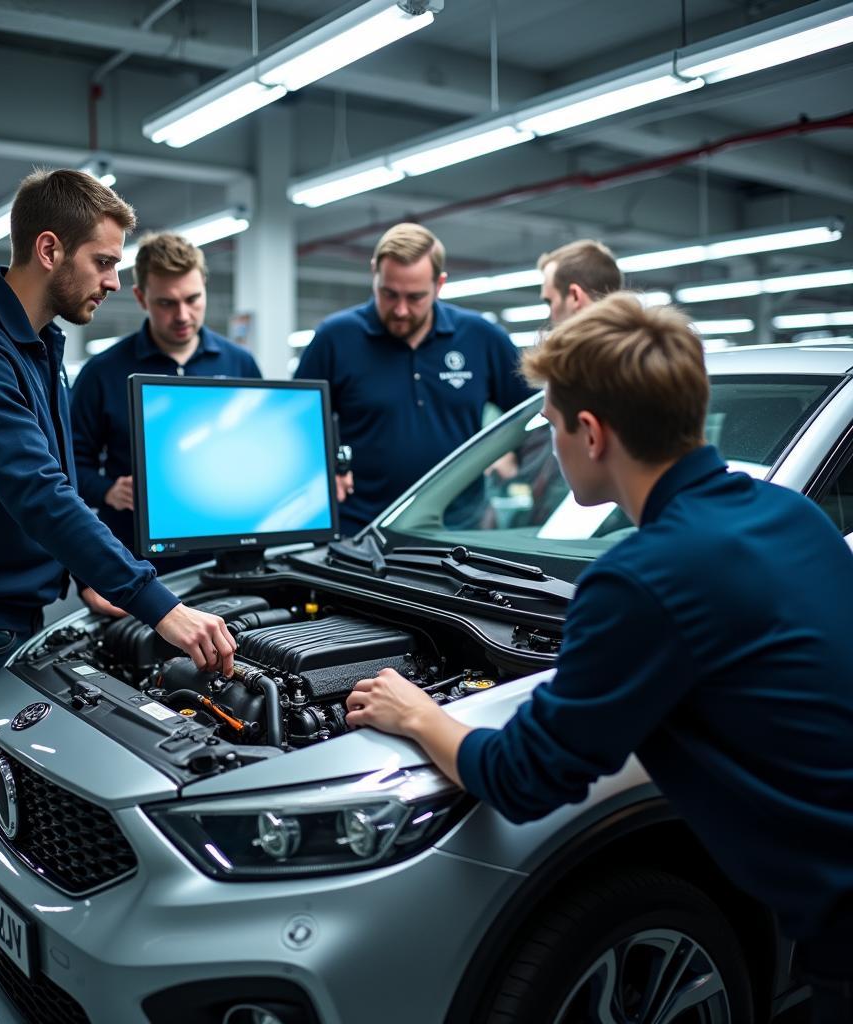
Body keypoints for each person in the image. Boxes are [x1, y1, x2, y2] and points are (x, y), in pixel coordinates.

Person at [345, 294, 853, 1023]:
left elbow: (525, 778)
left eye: (549, 425)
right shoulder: (795, 515)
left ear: (590, 433)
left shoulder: (641, 577)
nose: (547, 444)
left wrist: (421, 717)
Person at [0, 169, 236, 1024]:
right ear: (49, 250)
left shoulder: (39, 340)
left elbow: (45, 493)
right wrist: (159, 603)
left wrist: (86, 572)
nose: (116, 282)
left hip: (3, 610)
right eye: (105, 263)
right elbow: (38, 490)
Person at [295, 222, 533, 536]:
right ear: (374, 274)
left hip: (459, 530)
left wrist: (514, 458)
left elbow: (534, 414)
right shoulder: (335, 338)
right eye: (389, 294)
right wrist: (325, 467)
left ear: (440, 284)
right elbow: (299, 425)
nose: (401, 310)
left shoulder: (481, 337)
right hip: (362, 530)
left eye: (415, 297)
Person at [71, 232, 261, 571]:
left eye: (193, 298)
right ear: (141, 298)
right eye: (166, 303)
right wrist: (108, 490)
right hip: (136, 562)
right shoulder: (103, 371)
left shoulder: (239, 364)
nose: (183, 315)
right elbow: (69, 464)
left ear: (204, 286)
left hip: (225, 557)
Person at [537, 237, 622, 326]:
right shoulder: (634, 337)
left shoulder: (576, 340)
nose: (550, 316)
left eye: (550, 302)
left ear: (575, 296)